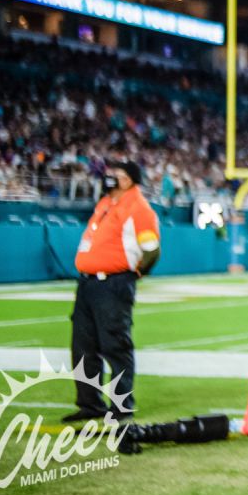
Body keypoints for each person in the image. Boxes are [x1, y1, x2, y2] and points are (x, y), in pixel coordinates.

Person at [63, 160, 160, 423]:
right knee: (83, 346)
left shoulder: (138, 208)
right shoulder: (106, 204)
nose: (108, 177)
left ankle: (121, 407)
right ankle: (90, 404)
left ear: (128, 180)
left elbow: (151, 250)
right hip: (88, 283)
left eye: (114, 174)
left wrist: (132, 274)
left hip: (113, 284)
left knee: (115, 346)